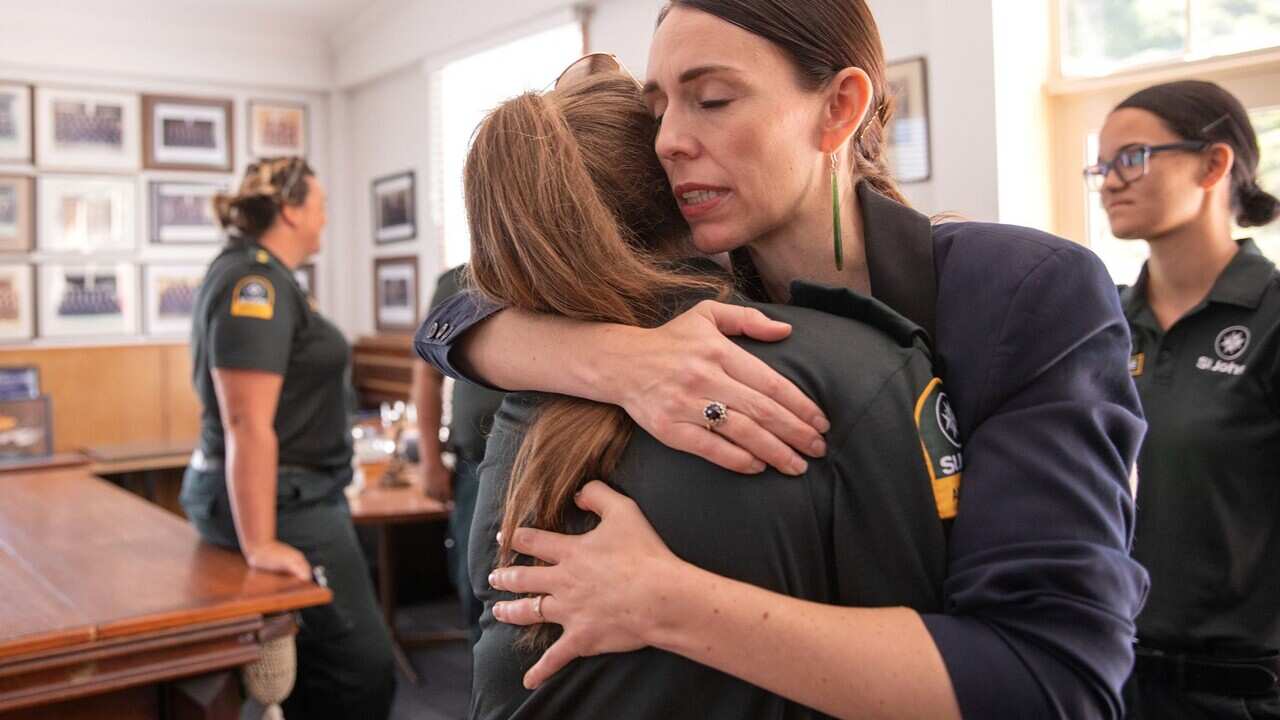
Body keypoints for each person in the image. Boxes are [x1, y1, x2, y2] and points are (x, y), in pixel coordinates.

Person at [417, 1, 1148, 717]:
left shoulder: (1023, 289)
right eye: (658, 109)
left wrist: (664, 602)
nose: (668, 139)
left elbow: (1056, 681)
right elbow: (448, 322)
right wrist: (619, 360)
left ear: (838, 108)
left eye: (711, 99)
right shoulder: (698, 298)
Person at [464, 69, 958, 719]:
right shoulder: (865, 366)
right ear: (685, 190)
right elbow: (941, 665)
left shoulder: (519, 394)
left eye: (717, 100)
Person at [1089, 80, 1280, 718]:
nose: (1110, 180)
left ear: (1214, 163)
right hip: (1109, 677)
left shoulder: (1272, 318)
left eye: (1133, 157)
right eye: (1102, 164)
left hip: (1242, 692)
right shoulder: (1100, 321)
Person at [181, 157, 396, 719]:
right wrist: (261, 543)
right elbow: (246, 422)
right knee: (361, 669)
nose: (325, 220)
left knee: (316, 666)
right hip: (287, 503)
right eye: (320, 207)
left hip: (294, 495)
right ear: (291, 210)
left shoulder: (262, 275)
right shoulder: (254, 282)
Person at [412, 263, 505, 645]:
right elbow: (427, 377)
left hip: (541, 460)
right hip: (473, 466)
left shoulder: (547, 267)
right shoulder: (454, 281)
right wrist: (430, 460)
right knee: (472, 581)